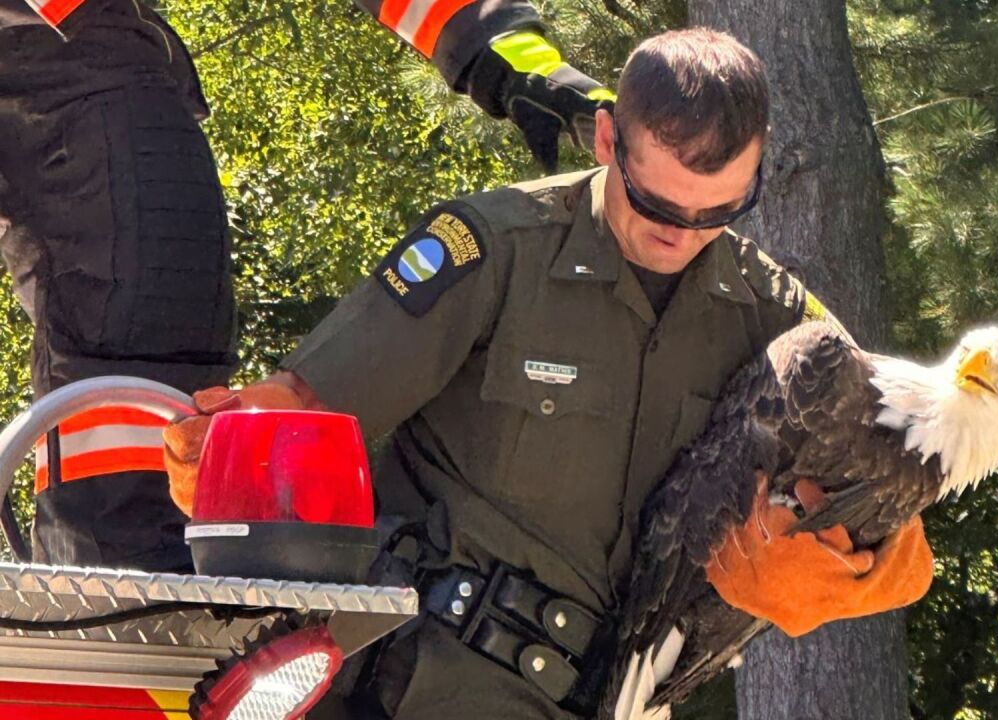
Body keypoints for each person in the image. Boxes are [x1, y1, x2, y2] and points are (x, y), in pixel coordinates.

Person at [164, 29, 935, 719]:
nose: (684, 234)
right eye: (658, 204)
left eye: (717, 214)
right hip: (415, 682)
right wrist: (217, 450)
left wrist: (837, 560)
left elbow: (896, 524)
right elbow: (296, 414)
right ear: (606, 139)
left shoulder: (779, 321)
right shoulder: (494, 251)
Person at [0, 0, 612, 569]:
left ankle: (120, 642)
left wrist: (512, 58)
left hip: (78, 62)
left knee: (145, 379)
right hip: (80, 68)